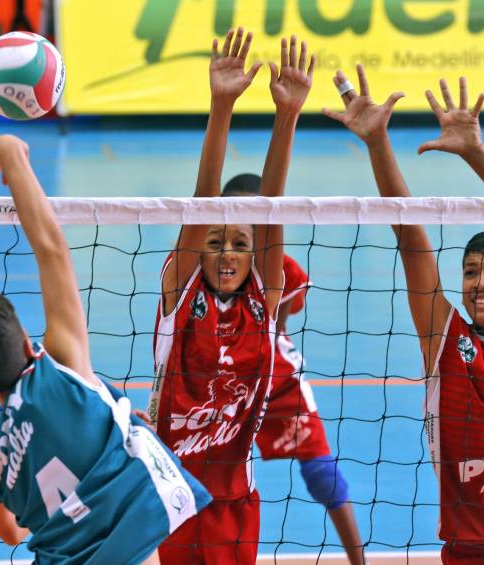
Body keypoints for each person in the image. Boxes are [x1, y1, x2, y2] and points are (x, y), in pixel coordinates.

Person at [323, 69, 484, 564]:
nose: (480, 283)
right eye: (470, 272)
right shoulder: (445, 339)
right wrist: (378, 144)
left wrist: (474, 152)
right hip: (475, 551)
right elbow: (410, 238)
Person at [0, 134, 211, 565]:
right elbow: (51, 249)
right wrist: (13, 159)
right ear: (27, 344)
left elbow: (11, 533)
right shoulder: (64, 368)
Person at [150, 28, 313, 563]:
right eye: (215, 241)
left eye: (239, 244)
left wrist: (285, 116)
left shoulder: (263, 303)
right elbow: (202, 203)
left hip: (234, 503)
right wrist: (221, 106)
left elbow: (271, 210)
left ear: (254, 254)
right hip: (171, 493)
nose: (224, 253)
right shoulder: (179, 294)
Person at [222, 173, 365, 564]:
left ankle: (359, 561)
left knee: (320, 473)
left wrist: (265, 339)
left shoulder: (283, 270)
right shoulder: (202, 264)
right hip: (215, 377)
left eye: (253, 219)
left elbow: (278, 322)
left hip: (273, 376)